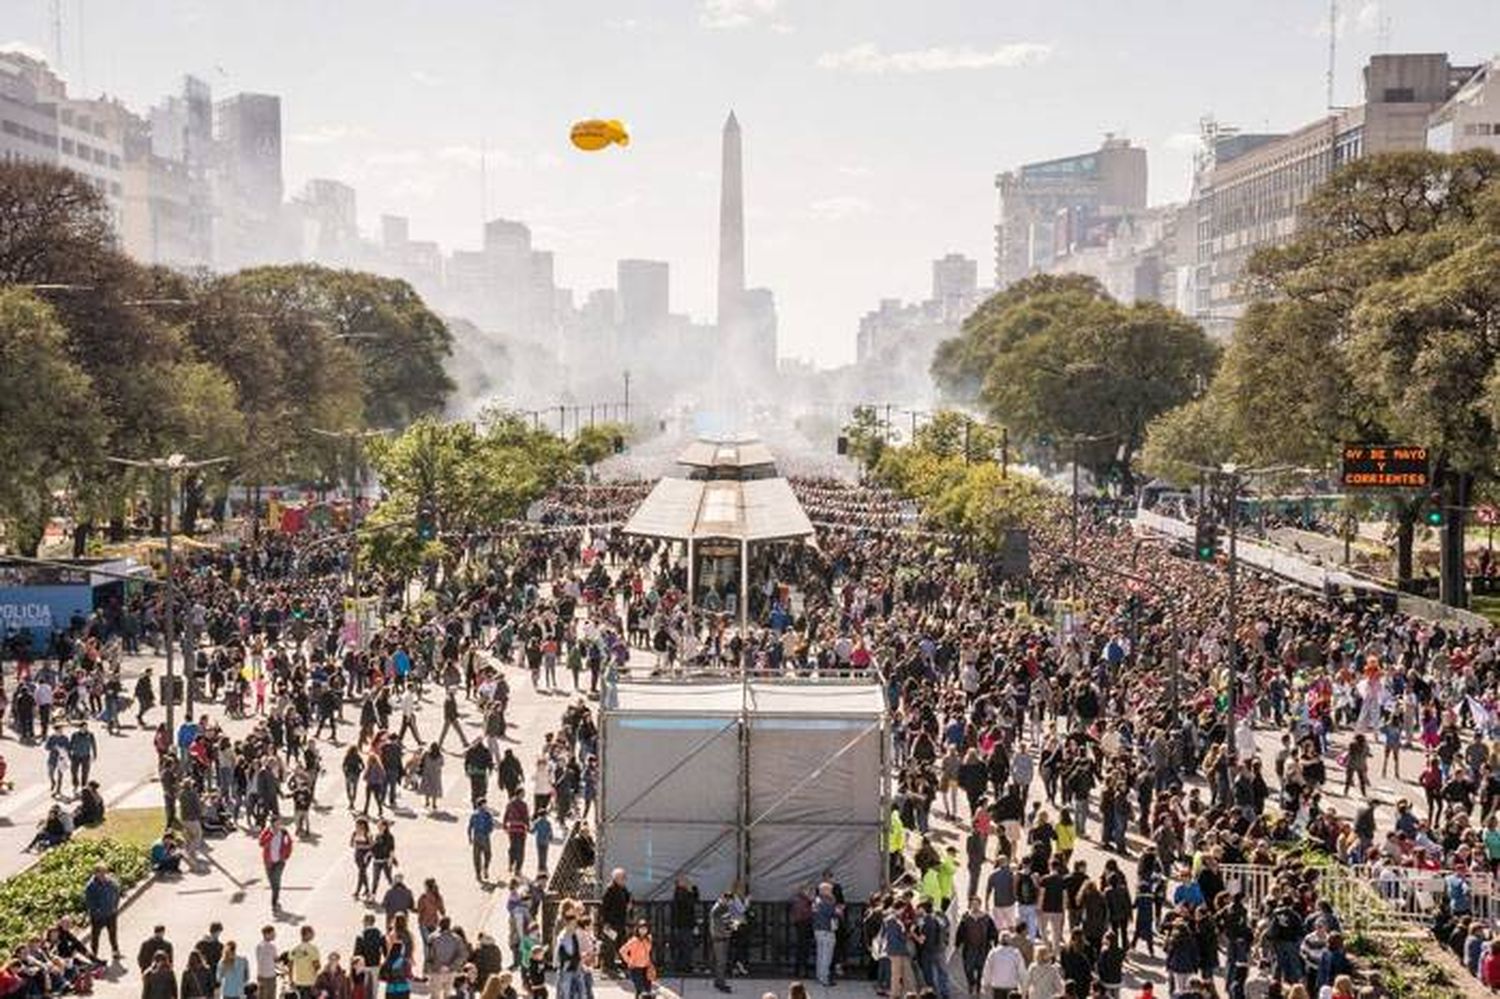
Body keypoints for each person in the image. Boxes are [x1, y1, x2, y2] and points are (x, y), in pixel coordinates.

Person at [83, 862, 123, 961]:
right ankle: (94, 955)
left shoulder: (111, 882)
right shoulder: (91, 886)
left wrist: (115, 906)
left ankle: (115, 951)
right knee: (95, 936)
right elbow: (89, 902)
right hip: (98, 916)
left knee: (113, 933)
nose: (103, 875)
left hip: (111, 913)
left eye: (104, 872)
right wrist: (97, 911)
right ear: (95, 873)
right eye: (101, 873)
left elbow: (117, 892)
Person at [259, 818, 295, 912]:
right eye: (277, 823)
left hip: (279, 862)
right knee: (273, 884)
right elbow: (261, 843)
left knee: (276, 883)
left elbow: (289, 843)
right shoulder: (267, 832)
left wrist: (286, 855)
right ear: (272, 824)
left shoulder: (284, 832)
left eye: (280, 823)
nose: (279, 825)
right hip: (269, 862)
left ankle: (274, 903)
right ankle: (275, 899)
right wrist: (271, 835)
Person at [981, 930, 1025, 999]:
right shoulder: (1016, 953)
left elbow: (987, 969)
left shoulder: (993, 953)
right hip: (1011, 985)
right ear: (1010, 940)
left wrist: (985, 984)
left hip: (997, 985)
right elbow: (1021, 971)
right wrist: (1023, 985)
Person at [617, 922, 654, 998]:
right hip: (636, 968)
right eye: (641, 928)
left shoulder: (648, 940)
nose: (643, 930)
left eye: (645, 929)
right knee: (641, 991)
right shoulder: (634, 940)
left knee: (647, 990)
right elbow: (622, 950)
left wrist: (650, 963)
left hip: (646, 968)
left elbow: (648, 953)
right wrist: (629, 961)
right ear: (638, 929)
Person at [286, 926, 321, 999]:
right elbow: (317, 966)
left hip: (298, 982)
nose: (313, 935)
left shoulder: (295, 949)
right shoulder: (313, 949)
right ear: (307, 934)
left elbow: (290, 967)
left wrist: (291, 980)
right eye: (312, 933)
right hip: (310, 982)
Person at [468, 799, 495, 883]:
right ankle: (483, 870)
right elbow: (491, 826)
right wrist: (489, 831)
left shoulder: (476, 814)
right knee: (487, 854)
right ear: (481, 805)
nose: (486, 806)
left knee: (478, 856)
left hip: (478, 836)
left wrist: (470, 837)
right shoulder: (486, 814)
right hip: (484, 836)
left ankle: (480, 872)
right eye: (484, 804)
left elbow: (470, 827)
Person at [256, 926, 279, 999]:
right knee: (271, 996)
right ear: (266, 934)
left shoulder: (259, 946)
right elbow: (276, 960)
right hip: (270, 976)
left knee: (261, 996)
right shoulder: (271, 947)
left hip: (261, 975)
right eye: (273, 933)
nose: (274, 935)